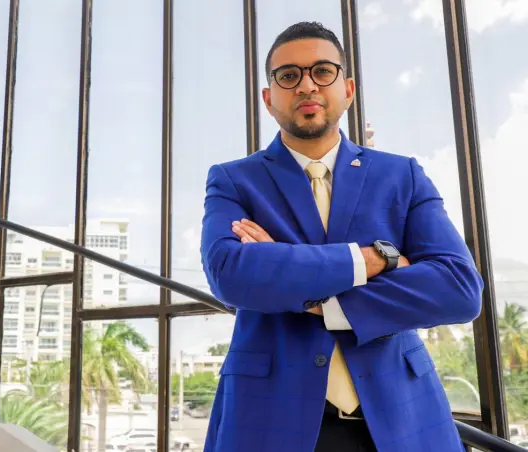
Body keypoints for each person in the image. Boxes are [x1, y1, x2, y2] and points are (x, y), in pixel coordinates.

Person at [199, 21, 484, 452]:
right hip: (270, 422)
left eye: (322, 71)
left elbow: (459, 289)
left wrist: (315, 296)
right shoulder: (234, 180)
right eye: (289, 75)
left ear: (347, 90)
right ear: (268, 99)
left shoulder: (401, 175)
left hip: (400, 420)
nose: (306, 85)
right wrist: (374, 259)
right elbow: (231, 275)